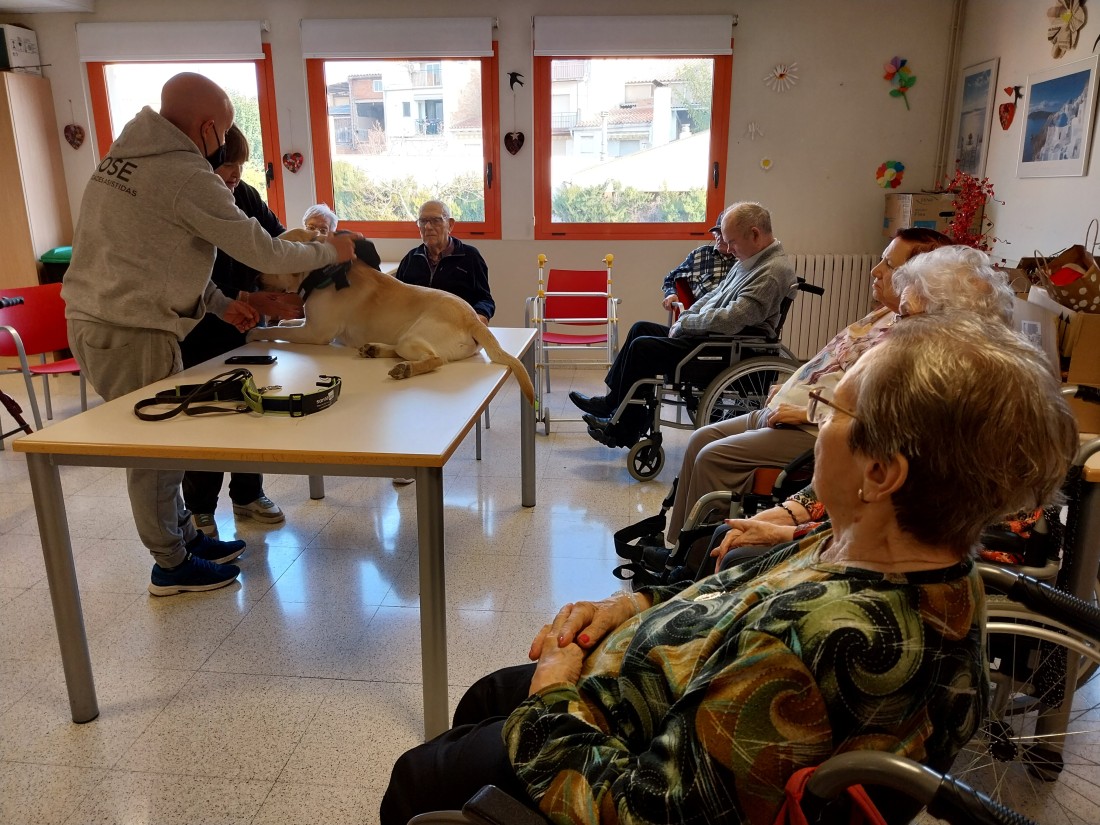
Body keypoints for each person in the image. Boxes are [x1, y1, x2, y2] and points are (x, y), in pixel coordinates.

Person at [380, 313, 1077, 825]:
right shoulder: (888, 547)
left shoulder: (809, 651)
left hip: (617, 752)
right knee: (484, 697)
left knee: (416, 779)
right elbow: (739, 592)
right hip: (660, 690)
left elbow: (645, 811)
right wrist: (634, 605)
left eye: (830, 408)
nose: (813, 420)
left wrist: (553, 698)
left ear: (880, 472)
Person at [62, 72, 356, 597]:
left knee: (166, 446)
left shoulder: (124, 156)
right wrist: (330, 249)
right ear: (207, 128)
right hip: (132, 331)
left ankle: (183, 539)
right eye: (222, 132)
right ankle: (171, 566)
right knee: (154, 454)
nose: (221, 143)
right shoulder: (184, 172)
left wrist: (222, 304)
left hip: (104, 320)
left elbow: (155, 258)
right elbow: (264, 251)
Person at [665, 229, 979, 546]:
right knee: (700, 438)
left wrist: (805, 413)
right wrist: (790, 385)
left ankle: (695, 555)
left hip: (813, 427)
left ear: (923, 281)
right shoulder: (885, 314)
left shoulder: (916, 339)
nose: (876, 270)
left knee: (713, 456)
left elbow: (880, 417)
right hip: (787, 409)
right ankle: (676, 546)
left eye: (888, 264)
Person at [571, 202, 796, 448]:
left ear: (754, 234)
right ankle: (613, 403)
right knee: (640, 328)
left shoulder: (771, 272)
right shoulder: (751, 260)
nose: (729, 249)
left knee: (643, 347)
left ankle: (624, 428)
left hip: (725, 347)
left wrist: (688, 324)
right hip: (712, 338)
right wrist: (686, 317)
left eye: (732, 242)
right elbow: (714, 295)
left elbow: (733, 318)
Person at [179, 125, 288, 539]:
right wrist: (244, 297)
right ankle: (200, 509)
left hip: (247, 327)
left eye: (241, 164)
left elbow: (277, 241)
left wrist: (312, 255)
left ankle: (248, 494)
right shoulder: (188, 201)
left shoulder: (246, 196)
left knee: (250, 407)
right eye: (227, 165)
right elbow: (194, 278)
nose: (236, 173)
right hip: (199, 329)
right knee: (205, 416)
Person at [395, 199, 495, 324]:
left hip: (457, 327)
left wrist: (479, 317)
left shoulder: (470, 257)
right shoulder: (411, 259)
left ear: (450, 225)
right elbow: (397, 300)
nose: (427, 227)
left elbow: (485, 300)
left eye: (436, 220)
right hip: (417, 328)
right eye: (423, 221)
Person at [660, 214, 736, 312]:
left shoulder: (743, 258)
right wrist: (671, 294)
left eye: (724, 233)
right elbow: (671, 278)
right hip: (700, 315)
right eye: (717, 233)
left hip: (730, 315)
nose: (719, 237)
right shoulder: (700, 255)